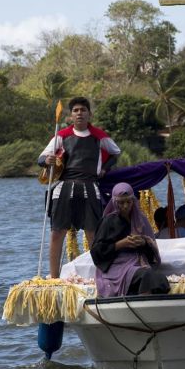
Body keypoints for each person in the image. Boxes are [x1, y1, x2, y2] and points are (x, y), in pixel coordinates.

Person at [37, 96, 121, 278]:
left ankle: (101, 276)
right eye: (75, 110)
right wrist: (47, 160)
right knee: (57, 232)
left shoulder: (100, 136)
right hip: (65, 187)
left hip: (90, 186)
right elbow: (41, 158)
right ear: (71, 115)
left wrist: (105, 168)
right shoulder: (62, 135)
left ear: (89, 114)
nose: (79, 113)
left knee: (93, 233)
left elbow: (115, 153)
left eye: (83, 110)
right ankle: (54, 278)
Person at [90, 183, 171, 298]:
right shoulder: (108, 221)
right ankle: (143, 301)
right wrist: (120, 244)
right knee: (146, 274)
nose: (125, 206)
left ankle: (144, 302)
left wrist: (143, 243)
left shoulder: (141, 219)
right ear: (114, 202)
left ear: (133, 201)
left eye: (129, 202)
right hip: (116, 266)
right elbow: (96, 252)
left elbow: (152, 251)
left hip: (138, 262)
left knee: (159, 278)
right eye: (121, 202)